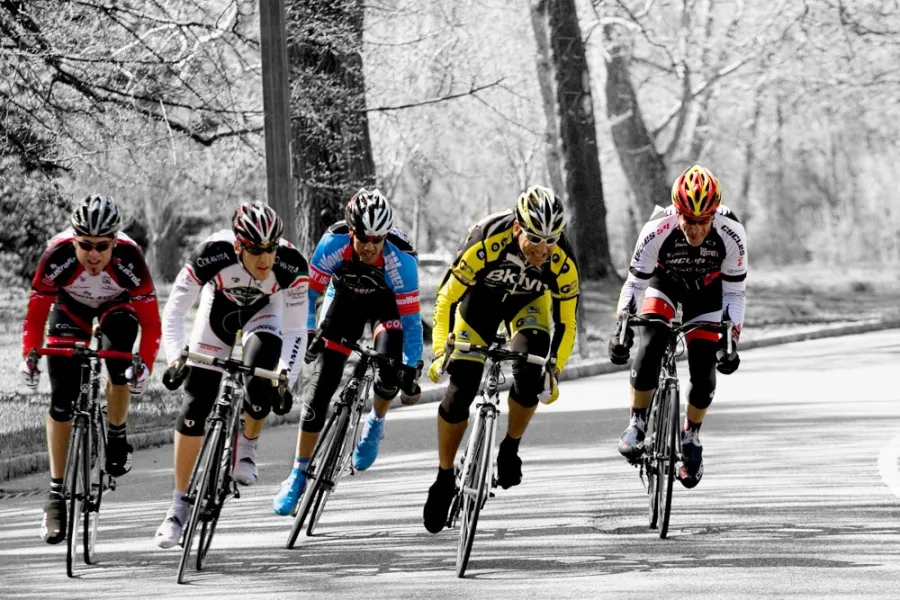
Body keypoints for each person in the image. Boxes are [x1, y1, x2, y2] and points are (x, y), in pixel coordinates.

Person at [422, 185, 580, 534]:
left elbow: (567, 321)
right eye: (535, 239)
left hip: (528, 306)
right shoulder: (486, 238)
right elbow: (446, 298)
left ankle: (510, 448)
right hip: (481, 300)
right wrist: (438, 352)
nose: (544, 250)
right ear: (517, 228)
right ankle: (444, 477)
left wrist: (555, 369)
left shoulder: (562, 258)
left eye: (552, 240)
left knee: (532, 370)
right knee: (461, 387)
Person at [154, 201, 309, 548]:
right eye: (255, 250)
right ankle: (177, 506)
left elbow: (297, 331)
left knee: (261, 382)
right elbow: (175, 310)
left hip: (264, 314)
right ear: (238, 245)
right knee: (195, 406)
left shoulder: (290, 265)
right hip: (218, 314)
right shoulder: (213, 253)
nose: (265, 259)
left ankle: (247, 446)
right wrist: (176, 358)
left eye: (270, 249)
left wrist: (286, 376)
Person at [271, 188, 423, 516]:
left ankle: (376, 422)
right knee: (322, 385)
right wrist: (310, 332)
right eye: (363, 238)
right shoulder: (333, 244)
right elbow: (309, 296)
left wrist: (411, 366)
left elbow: (411, 325)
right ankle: (297, 475)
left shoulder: (401, 260)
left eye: (377, 240)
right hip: (344, 303)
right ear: (351, 232)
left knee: (389, 368)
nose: (370, 247)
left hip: (387, 309)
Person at [20, 194, 161, 544]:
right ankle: (55, 495)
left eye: (101, 246)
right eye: (85, 245)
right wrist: (29, 356)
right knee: (61, 399)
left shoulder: (131, 258)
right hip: (71, 310)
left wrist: (143, 367)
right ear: (74, 240)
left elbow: (152, 325)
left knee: (118, 360)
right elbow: (36, 313)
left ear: (115, 242)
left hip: (117, 307)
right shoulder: (57, 254)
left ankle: (116, 435)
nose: (93, 254)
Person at [609, 164, 746, 488]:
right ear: (677, 212)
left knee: (703, 365)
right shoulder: (658, 228)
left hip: (708, 292)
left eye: (703, 221)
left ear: (714, 214)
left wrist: (730, 341)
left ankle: (691, 437)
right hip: (664, 282)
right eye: (688, 220)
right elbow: (634, 285)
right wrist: (621, 330)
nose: (695, 230)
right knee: (652, 341)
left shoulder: (731, 232)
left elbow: (735, 293)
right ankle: (638, 422)